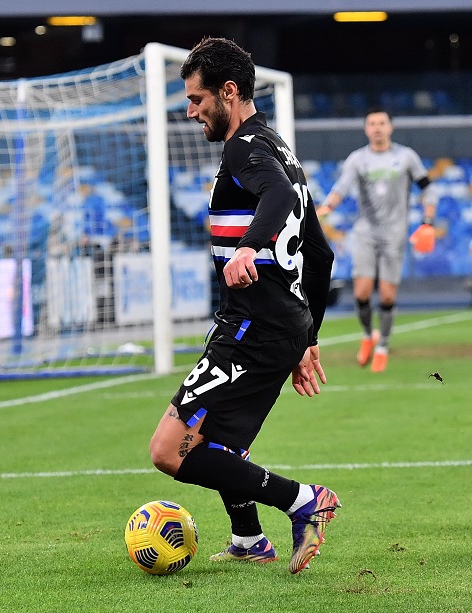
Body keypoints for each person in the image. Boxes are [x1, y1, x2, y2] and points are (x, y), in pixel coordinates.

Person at [148, 37, 339, 575]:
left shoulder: (243, 149)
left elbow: (276, 198)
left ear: (228, 92)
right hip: (276, 326)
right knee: (219, 441)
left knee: (170, 450)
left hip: (253, 326)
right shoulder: (280, 147)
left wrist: (249, 248)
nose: (191, 112)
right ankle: (249, 538)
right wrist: (309, 337)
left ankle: (303, 500)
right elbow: (321, 254)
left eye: (197, 99)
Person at [316, 107, 437, 372]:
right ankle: (368, 334)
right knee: (360, 291)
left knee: (386, 295)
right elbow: (342, 187)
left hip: (394, 234)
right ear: (366, 129)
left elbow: (428, 188)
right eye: (372, 123)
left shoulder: (406, 157)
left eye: (382, 123)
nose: (377, 127)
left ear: (390, 127)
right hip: (365, 233)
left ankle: (383, 344)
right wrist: (327, 207)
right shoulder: (358, 159)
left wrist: (428, 222)